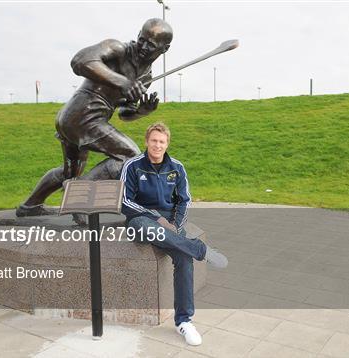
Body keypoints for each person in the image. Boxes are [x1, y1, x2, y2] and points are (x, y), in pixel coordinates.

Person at [16, 18, 172, 217]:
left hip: (83, 119)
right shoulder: (117, 49)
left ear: (164, 49)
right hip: (83, 115)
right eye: (141, 39)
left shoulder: (146, 77)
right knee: (130, 156)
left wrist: (142, 111)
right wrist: (122, 81)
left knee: (70, 173)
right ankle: (78, 195)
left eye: (151, 45)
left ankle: (29, 207)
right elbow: (80, 61)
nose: (143, 46)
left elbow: (124, 113)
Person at [121, 122, 228, 346]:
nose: (157, 145)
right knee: (148, 227)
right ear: (147, 142)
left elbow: (184, 201)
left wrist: (175, 225)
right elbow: (125, 201)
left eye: (161, 141)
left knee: (183, 256)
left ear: (167, 143)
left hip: (170, 224)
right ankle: (200, 249)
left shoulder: (177, 167)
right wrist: (157, 219)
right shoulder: (132, 166)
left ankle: (184, 321)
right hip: (141, 221)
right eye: (154, 141)